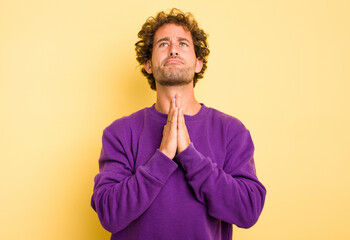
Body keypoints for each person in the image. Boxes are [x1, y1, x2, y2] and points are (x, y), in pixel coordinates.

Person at [91, 8, 266, 240]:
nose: (173, 49)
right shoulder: (120, 133)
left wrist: (190, 156)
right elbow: (109, 214)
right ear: (148, 65)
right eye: (163, 44)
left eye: (183, 44)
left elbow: (248, 210)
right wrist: (162, 157)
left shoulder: (231, 131)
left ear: (198, 63)